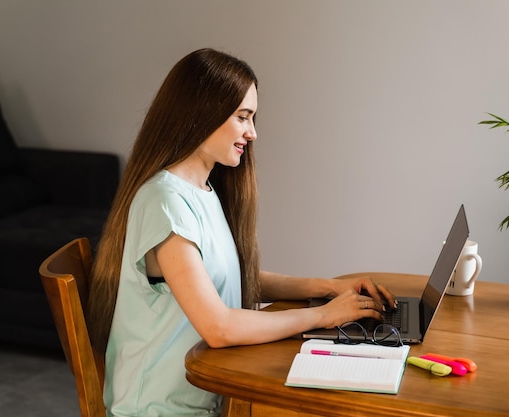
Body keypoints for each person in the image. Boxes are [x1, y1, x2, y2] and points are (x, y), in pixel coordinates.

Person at [86, 48, 397, 417]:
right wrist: (323, 316)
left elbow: (230, 277)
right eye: (242, 117)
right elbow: (218, 327)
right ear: (201, 112)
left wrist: (330, 288)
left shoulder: (201, 190)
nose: (252, 132)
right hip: (159, 409)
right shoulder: (163, 201)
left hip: (204, 397)